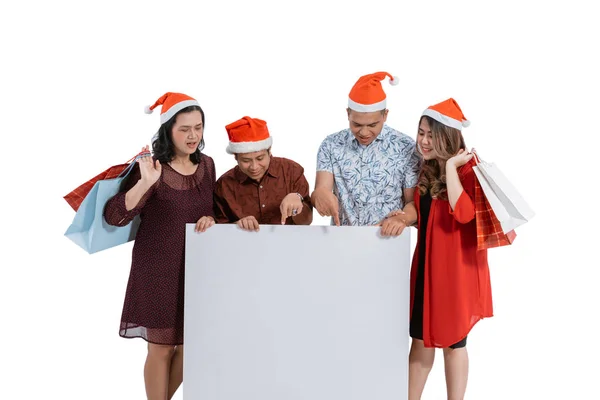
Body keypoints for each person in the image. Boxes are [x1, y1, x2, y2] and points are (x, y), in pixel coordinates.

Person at [103, 92, 216, 400]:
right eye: (184, 129)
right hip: (157, 269)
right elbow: (115, 216)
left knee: (194, 344)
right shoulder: (151, 168)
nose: (193, 135)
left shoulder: (207, 165)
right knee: (162, 348)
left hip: (196, 269)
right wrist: (144, 183)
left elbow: (210, 209)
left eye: (199, 127)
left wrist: (210, 218)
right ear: (168, 130)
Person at [406, 98, 493, 400]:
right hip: (427, 266)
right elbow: (424, 215)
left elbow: (464, 213)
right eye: (421, 133)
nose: (424, 141)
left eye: (431, 135)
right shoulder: (424, 168)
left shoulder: (468, 170)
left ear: (449, 137)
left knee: (454, 343)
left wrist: (451, 167)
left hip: (454, 271)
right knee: (420, 339)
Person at [311, 71, 420, 235]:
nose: (364, 132)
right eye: (356, 124)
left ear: (385, 115)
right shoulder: (331, 145)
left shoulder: (406, 147)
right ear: (348, 114)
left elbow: (413, 203)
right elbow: (321, 189)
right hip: (342, 239)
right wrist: (320, 196)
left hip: (388, 240)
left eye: (372, 125)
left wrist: (402, 219)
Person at [213, 116, 313, 231]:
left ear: (269, 151)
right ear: (235, 157)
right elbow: (219, 231)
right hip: (244, 247)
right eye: (246, 161)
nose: (254, 167)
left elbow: (307, 222)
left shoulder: (292, 171)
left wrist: (297, 203)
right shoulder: (224, 185)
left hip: (289, 245)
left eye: (260, 158)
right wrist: (237, 225)